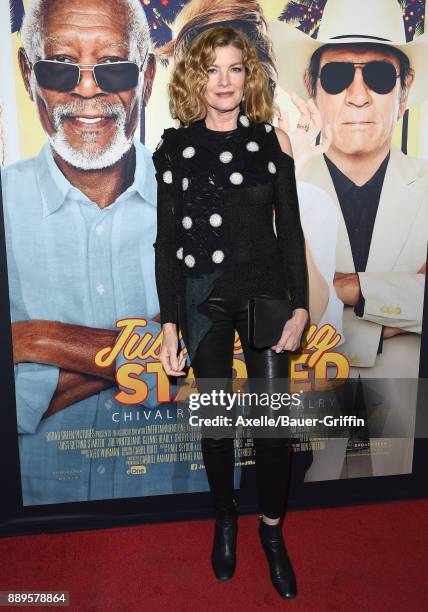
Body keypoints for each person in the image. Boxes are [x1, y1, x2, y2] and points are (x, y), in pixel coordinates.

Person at [1, 0, 206, 504]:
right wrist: (157, 343)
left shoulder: (206, 200)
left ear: (149, 76)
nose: (87, 89)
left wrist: (35, 339)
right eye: (59, 66)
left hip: (183, 507)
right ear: (28, 74)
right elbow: (191, 345)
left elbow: (229, 356)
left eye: (113, 66)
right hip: (34, 524)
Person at [153, 26, 309, 599]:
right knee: (217, 424)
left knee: (272, 429)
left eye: (235, 68)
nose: (224, 80)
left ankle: (271, 532)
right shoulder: (174, 149)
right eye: (212, 69)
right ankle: (225, 518)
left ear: (249, 76)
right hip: (202, 298)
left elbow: (289, 232)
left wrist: (299, 307)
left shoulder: (273, 143)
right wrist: (170, 322)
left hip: (266, 293)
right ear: (197, 76)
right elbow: (166, 242)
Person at [269, 0, 428, 478]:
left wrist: (344, 292)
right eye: (338, 78)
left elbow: (305, 312)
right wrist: (397, 303)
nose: (358, 96)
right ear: (312, 89)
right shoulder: (279, 190)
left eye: (378, 76)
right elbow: (268, 308)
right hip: (299, 425)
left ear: (404, 90)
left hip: (410, 439)